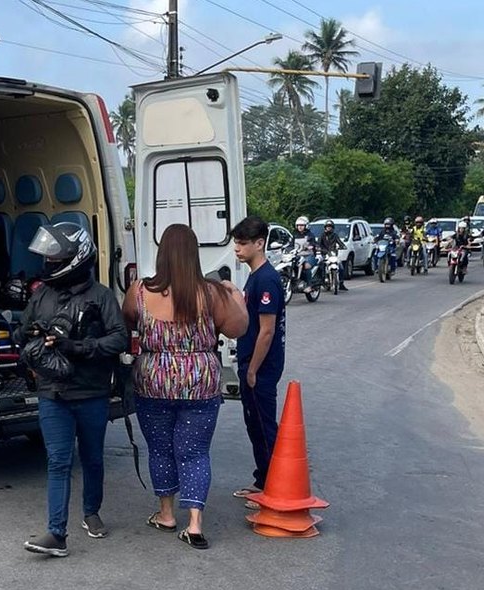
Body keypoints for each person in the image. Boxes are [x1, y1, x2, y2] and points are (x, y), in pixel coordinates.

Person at [123, 224, 248, 550]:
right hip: (200, 384)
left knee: (161, 449)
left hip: (153, 383)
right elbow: (238, 328)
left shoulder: (139, 291)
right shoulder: (212, 293)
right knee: (194, 453)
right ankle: (194, 523)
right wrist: (234, 295)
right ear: (194, 254)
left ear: (162, 254)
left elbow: (128, 321)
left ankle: (166, 514)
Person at [17, 222, 128, 558]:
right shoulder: (42, 294)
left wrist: (78, 347)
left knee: (93, 459)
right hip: (53, 394)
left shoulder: (102, 296)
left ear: (77, 259)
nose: (48, 264)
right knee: (58, 462)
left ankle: (91, 513)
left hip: (91, 394)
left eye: (55, 259)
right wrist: (38, 336)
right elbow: (23, 332)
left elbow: (120, 338)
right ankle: (56, 533)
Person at [230, 217, 287, 505]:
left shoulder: (266, 279)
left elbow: (267, 331)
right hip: (252, 362)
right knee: (254, 424)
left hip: (261, 366)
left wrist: (252, 369)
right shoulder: (254, 276)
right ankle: (262, 479)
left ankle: (273, 486)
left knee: (264, 426)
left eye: (242, 243)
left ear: (259, 243)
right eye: (236, 243)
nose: (237, 249)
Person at [317, 220, 349, 291]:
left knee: (341, 267)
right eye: (327, 227)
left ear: (332, 228)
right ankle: (321, 281)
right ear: (325, 227)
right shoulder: (322, 235)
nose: (329, 228)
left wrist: (343, 246)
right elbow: (318, 244)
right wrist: (320, 249)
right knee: (321, 266)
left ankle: (341, 283)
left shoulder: (335, 235)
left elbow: (340, 242)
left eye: (330, 227)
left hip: (333, 254)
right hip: (325, 254)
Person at [292, 216, 319, 292]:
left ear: (306, 226)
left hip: (309, 255)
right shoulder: (294, 234)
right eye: (298, 225)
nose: (300, 227)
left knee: (306, 266)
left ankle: (309, 285)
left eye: (302, 225)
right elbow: (290, 244)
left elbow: (314, 243)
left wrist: (311, 246)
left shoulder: (310, 235)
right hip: (297, 255)